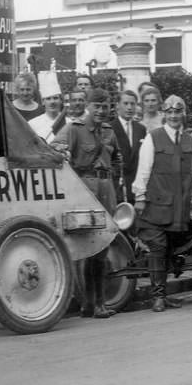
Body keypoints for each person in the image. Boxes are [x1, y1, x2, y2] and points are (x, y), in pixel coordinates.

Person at [132, 95, 192, 312]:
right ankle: (158, 297)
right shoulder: (153, 138)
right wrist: (139, 197)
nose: (174, 116)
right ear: (164, 114)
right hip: (155, 204)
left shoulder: (189, 139)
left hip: (179, 206)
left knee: (169, 248)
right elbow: (143, 170)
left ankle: (164, 296)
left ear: (183, 114)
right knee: (158, 248)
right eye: (170, 112)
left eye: (178, 112)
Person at [53, 88, 123, 319]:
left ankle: (98, 303)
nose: (102, 111)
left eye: (106, 106)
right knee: (86, 249)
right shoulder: (74, 129)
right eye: (97, 106)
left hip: (107, 191)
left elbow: (116, 160)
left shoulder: (109, 132)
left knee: (102, 249)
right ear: (88, 106)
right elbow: (55, 150)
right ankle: (89, 303)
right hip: (85, 192)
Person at [110, 90, 146, 204]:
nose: (129, 107)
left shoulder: (141, 129)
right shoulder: (109, 128)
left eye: (132, 104)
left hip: (136, 186)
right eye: (126, 103)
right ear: (117, 106)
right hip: (117, 186)